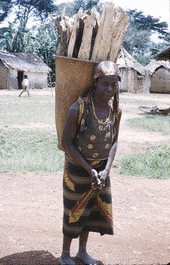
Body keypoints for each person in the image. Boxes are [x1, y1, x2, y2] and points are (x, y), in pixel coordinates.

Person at [59, 61, 122, 265]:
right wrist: (89, 169)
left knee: (90, 211)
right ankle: (65, 254)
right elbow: (66, 142)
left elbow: (114, 142)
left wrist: (105, 170)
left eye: (114, 84)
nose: (110, 89)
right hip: (77, 170)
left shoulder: (116, 111)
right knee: (73, 210)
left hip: (101, 171)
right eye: (105, 84)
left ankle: (82, 252)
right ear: (95, 83)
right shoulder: (78, 108)